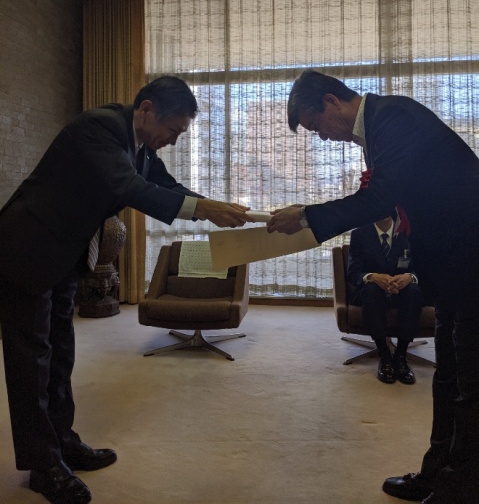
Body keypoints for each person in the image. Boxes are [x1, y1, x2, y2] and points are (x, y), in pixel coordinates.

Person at [0, 75, 250, 504]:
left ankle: (63, 442)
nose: (173, 140)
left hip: (64, 253)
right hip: (27, 248)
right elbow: (131, 189)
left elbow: (167, 188)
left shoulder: (142, 147)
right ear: (147, 109)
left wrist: (214, 208)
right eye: (172, 130)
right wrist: (203, 209)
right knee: (31, 362)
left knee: (60, 354)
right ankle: (43, 466)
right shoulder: (99, 128)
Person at [266, 69, 479, 504]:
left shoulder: (393, 117)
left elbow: (379, 200)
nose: (323, 137)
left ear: (331, 102)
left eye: (316, 126)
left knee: (470, 382)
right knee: (448, 376)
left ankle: (461, 486)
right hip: (451, 267)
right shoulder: (378, 129)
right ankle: (437, 473)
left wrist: (305, 216)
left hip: (470, 261)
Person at [347, 216, 423, 384]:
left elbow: (424, 266)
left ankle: (401, 355)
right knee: (371, 291)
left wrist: (409, 277)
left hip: (403, 291)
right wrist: (373, 277)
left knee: (413, 292)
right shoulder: (359, 234)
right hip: (372, 293)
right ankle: (384, 355)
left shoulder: (409, 231)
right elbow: (353, 273)